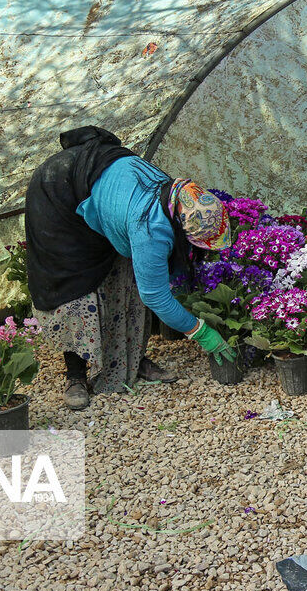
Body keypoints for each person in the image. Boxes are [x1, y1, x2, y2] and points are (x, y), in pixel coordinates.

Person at [25, 126, 237, 410]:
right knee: (74, 293)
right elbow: (156, 297)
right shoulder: (150, 229)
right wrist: (200, 332)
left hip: (92, 182)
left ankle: (130, 360)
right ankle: (75, 376)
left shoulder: (175, 194)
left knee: (125, 281)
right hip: (56, 193)